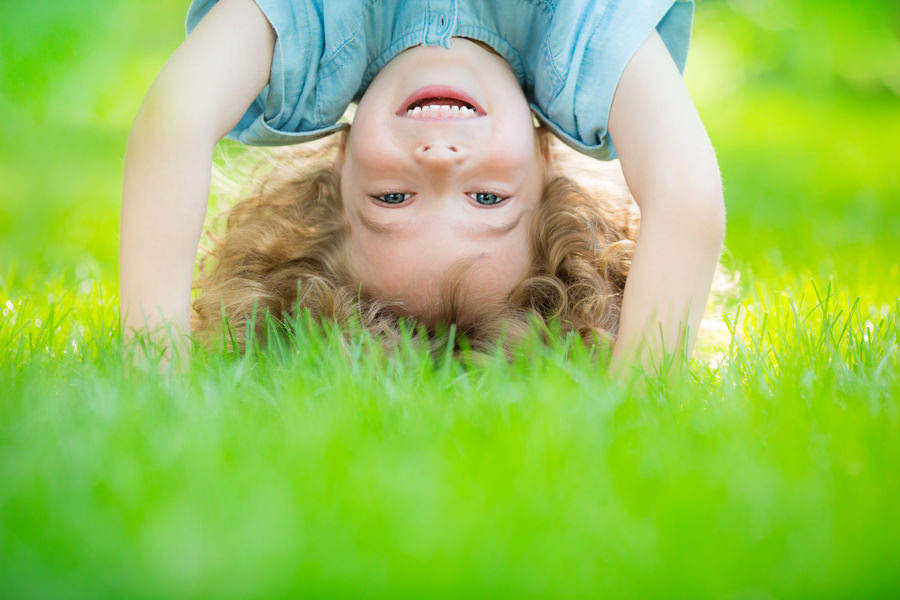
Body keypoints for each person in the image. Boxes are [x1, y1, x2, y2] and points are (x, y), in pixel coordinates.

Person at [120, 0, 725, 370]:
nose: (439, 160)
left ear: (341, 161)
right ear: (545, 162)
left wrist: (153, 371)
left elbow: (177, 116)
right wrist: (637, 409)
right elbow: (685, 194)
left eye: (392, 198)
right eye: (487, 199)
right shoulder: (581, 45)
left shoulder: (317, 32)